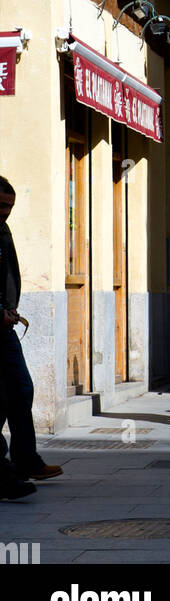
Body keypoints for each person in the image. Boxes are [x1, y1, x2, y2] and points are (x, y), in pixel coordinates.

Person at [0, 176, 62, 497]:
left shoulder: (3, 230)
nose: (5, 212)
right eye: (1, 205)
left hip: (5, 325)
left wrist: (8, 309)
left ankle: (25, 459)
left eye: (10, 206)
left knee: (21, 388)